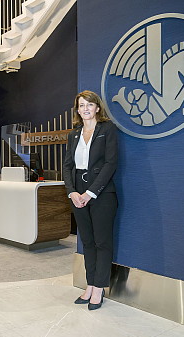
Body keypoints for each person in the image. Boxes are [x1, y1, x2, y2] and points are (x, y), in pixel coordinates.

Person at [63, 90, 118, 310]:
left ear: (97, 108)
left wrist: (90, 192)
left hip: (102, 194)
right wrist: (72, 191)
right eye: (81, 105)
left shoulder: (108, 130)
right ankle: (90, 284)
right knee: (87, 242)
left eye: (89, 105)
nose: (85, 109)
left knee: (102, 242)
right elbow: (67, 165)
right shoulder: (74, 134)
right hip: (77, 194)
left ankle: (99, 288)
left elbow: (110, 164)